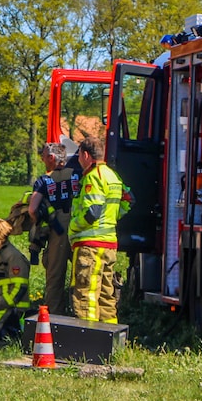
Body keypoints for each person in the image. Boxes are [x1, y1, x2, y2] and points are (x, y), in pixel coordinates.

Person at [69, 136, 131, 324]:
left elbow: (92, 213)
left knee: (86, 294)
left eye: (79, 155)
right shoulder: (113, 176)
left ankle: (87, 342)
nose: (79, 160)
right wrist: (111, 217)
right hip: (109, 245)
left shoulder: (92, 177)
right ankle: (109, 339)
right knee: (106, 295)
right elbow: (129, 201)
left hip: (91, 246)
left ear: (86, 155)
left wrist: (72, 227)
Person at [28, 143, 80, 316]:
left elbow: (32, 209)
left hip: (59, 229)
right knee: (81, 273)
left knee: (55, 275)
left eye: (43, 156)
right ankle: (81, 314)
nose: (42, 159)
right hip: (80, 227)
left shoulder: (44, 180)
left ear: (51, 158)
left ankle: (55, 317)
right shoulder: (78, 174)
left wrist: (40, 224)